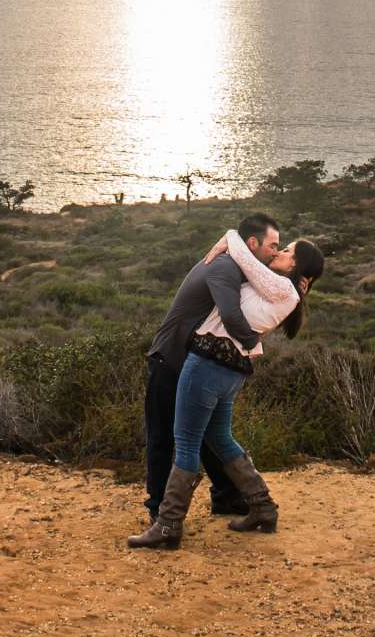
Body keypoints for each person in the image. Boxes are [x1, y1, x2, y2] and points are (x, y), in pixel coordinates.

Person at [128, 229, 325, 550]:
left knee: (187, 442)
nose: (278, 254)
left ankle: (167, 524)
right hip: (230, 368)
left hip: (207, 361)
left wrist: (229, 236)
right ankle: (261, 506)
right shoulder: (280, 290)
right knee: (219, 438)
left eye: (287, 251)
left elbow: (243, 256)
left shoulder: (282, 289)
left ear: (297, 267)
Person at [137, 212, 283, 521]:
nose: (275, 253)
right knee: (164, 435)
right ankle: (158, 510)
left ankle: (226, 497)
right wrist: (253, 344)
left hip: (196, 360)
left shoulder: (238, 267)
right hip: (170, 358)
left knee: (206, 432)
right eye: (273, 245)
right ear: (253, 243)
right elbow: (231, 316)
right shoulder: (225, 266)